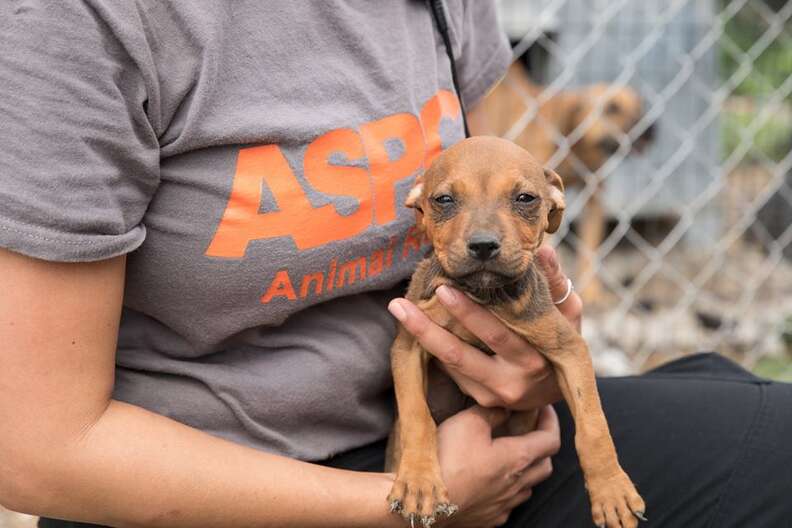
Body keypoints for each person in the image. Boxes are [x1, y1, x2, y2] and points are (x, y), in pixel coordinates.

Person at [0, 2, 789, 527]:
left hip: (456, 433)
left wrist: (529, 353)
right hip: (222, 486)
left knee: (737, 397)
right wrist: (402, 500)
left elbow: (506, 188)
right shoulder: (80, 22)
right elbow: (31, 449)